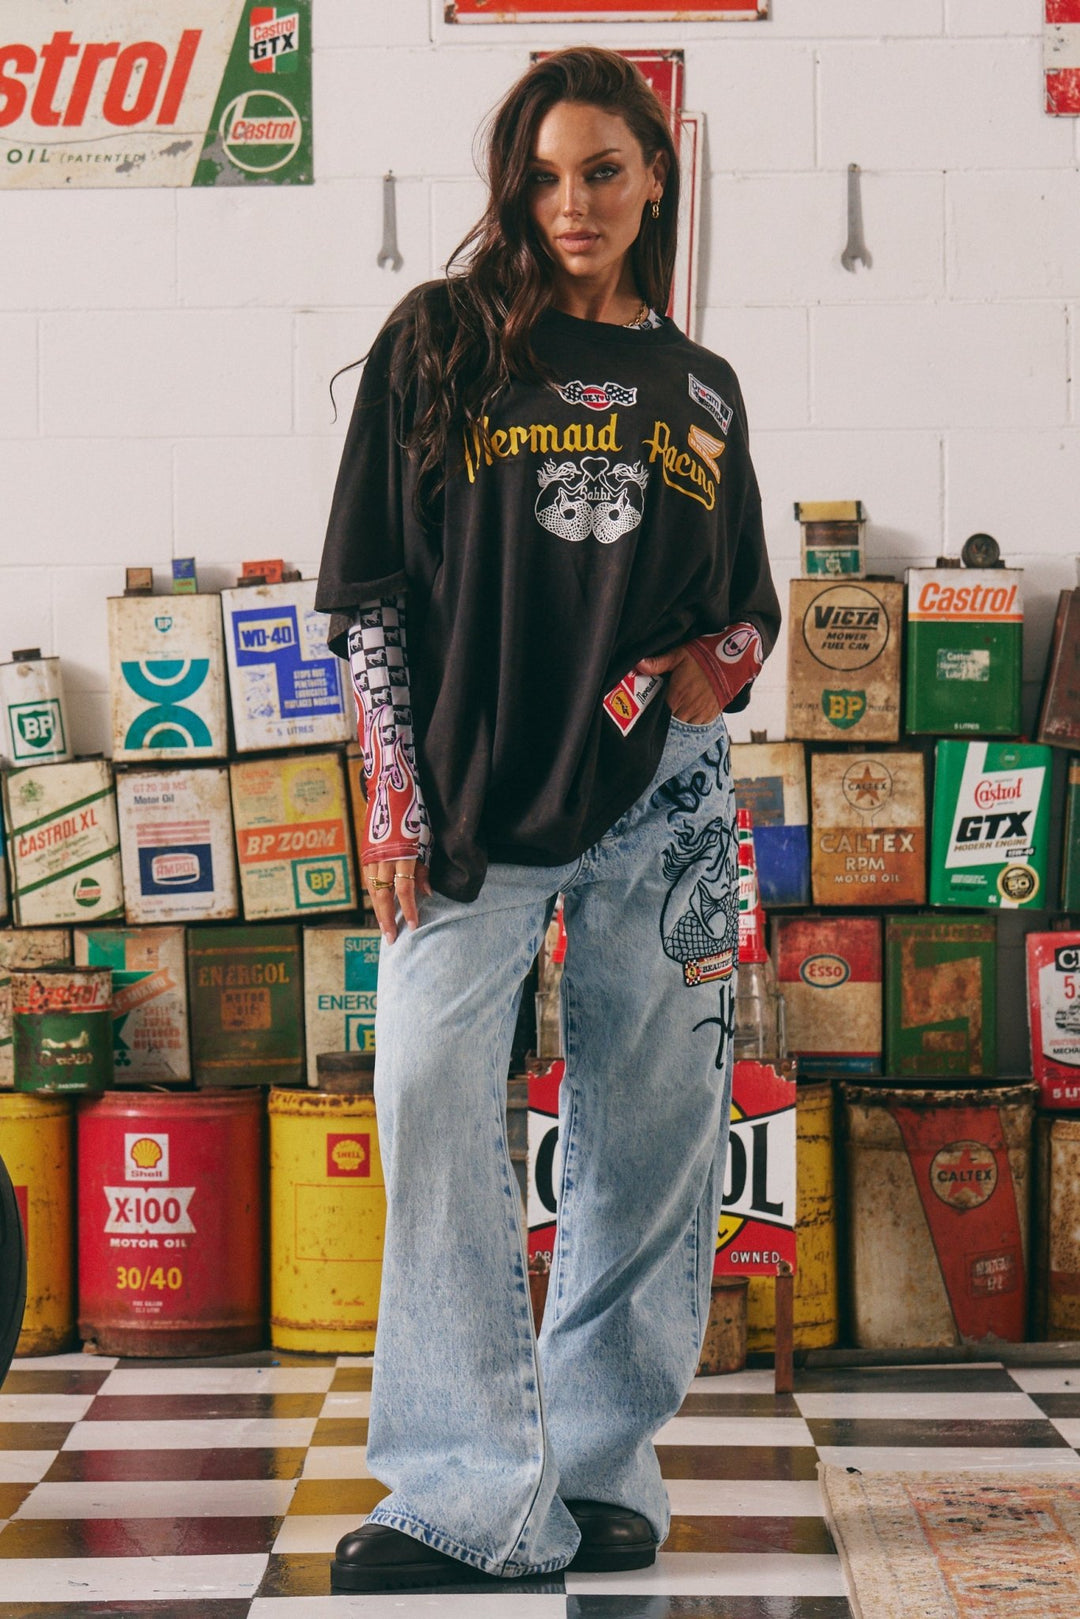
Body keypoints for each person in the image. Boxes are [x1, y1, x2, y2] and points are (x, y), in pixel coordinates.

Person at [315, 45, 780, 1594]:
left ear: (654, 178)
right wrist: (392, 799)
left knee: (651, 1131)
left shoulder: (700, 387)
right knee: (427, 1092)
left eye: (601, 171)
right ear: (510, 186)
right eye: (543, 175)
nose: (571, 202)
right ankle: (465, 1492)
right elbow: (369, 593)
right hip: (473, 798)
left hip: (666, 798)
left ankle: (596, 1465)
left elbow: (747, 611)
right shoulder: (440, 340)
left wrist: (717, 666)